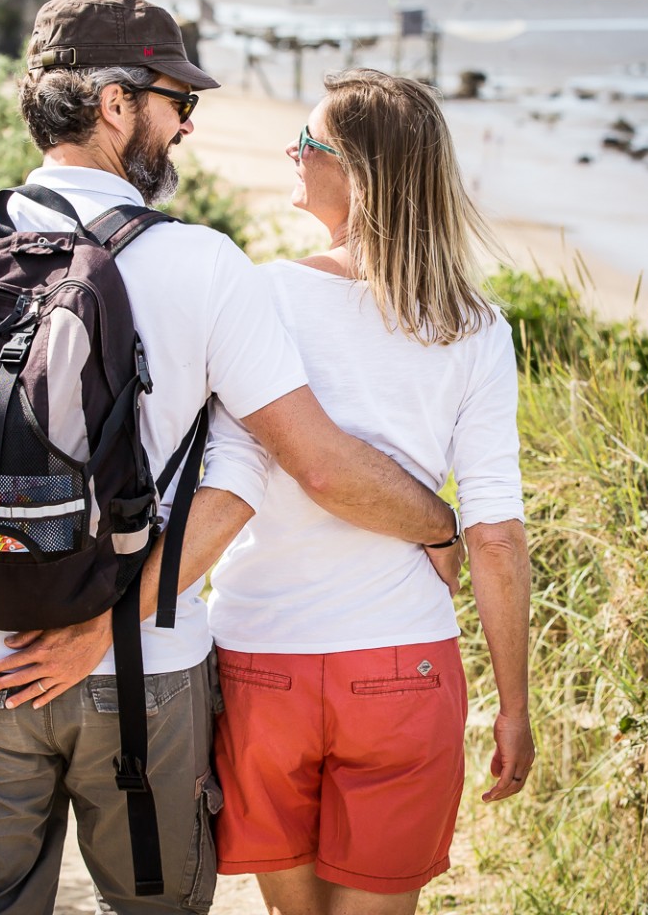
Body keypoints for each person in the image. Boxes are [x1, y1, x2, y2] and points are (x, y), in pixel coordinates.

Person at [0, 0, 457, 915]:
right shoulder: (205, 265)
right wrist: (437, 525)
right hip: (144, 675)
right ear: (115, 105)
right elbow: (272, 470)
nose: (187, 123)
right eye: (173, 100)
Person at [148, 71, 535, 911]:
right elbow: (496, 536)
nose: (292, 151)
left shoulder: (261, 297)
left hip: (263, 664)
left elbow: (225, 473)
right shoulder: (475, 328)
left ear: (357, 175)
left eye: (310, 143)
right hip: (404, 665)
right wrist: (515, 706)